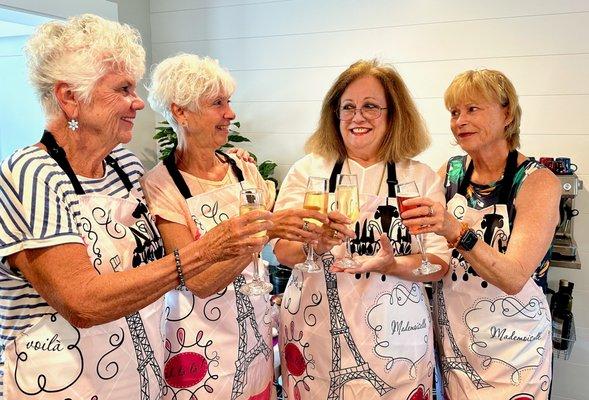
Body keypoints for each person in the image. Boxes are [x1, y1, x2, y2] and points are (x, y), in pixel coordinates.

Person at [0, 15, 272, 399]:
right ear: (69, 97)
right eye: (123, 88)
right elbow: (83, 301)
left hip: (138, 377)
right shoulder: (30, 172)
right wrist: (208, 250)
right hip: (60, 384)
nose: (139, 102)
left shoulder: (124, 166)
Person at [142, 53, 328, 400]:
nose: (231, 113)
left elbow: (272, 251)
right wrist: (267, 229)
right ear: (180, 111)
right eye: (217, 103)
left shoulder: (243, 170)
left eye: (228, 102)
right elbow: (197, 280)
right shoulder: (160, 185)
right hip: (198, 344)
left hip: (255, 334)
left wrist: (310, 235)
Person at [272, 59, 451, 400]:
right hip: (317, 331)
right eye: (348, 107)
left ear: (393, 115)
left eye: (370, 106)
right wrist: (317, 244)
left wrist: (394, 265)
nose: (357, 117)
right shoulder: (308, 170)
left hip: (397, 335)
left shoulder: (420, 176)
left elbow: (438, 262)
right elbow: (282, 249)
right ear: (334, 114)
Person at [401, 69, 560, 399]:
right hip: (455, 343)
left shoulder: (537, 182)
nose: (460, 121)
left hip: (515, 350)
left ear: (507, 113)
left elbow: (514, 278)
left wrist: (455, 230)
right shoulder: (451, 172)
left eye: (472, 109)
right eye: (454, 112)